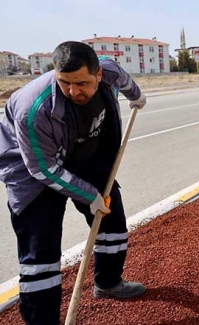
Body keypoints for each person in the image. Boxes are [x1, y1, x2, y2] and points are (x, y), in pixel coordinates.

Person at [0, 41, 147, 325]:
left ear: (99, 74)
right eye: (64, 83)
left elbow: (127, 81)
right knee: (40, 251)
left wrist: (137, 97)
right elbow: (42, 169)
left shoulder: (109, 69)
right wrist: (89, 195)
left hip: (81, 154)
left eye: (82, 83)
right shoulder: (34, 109)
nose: (73, 91)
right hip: (31, 168)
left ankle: (108, 283)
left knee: (111, 221)